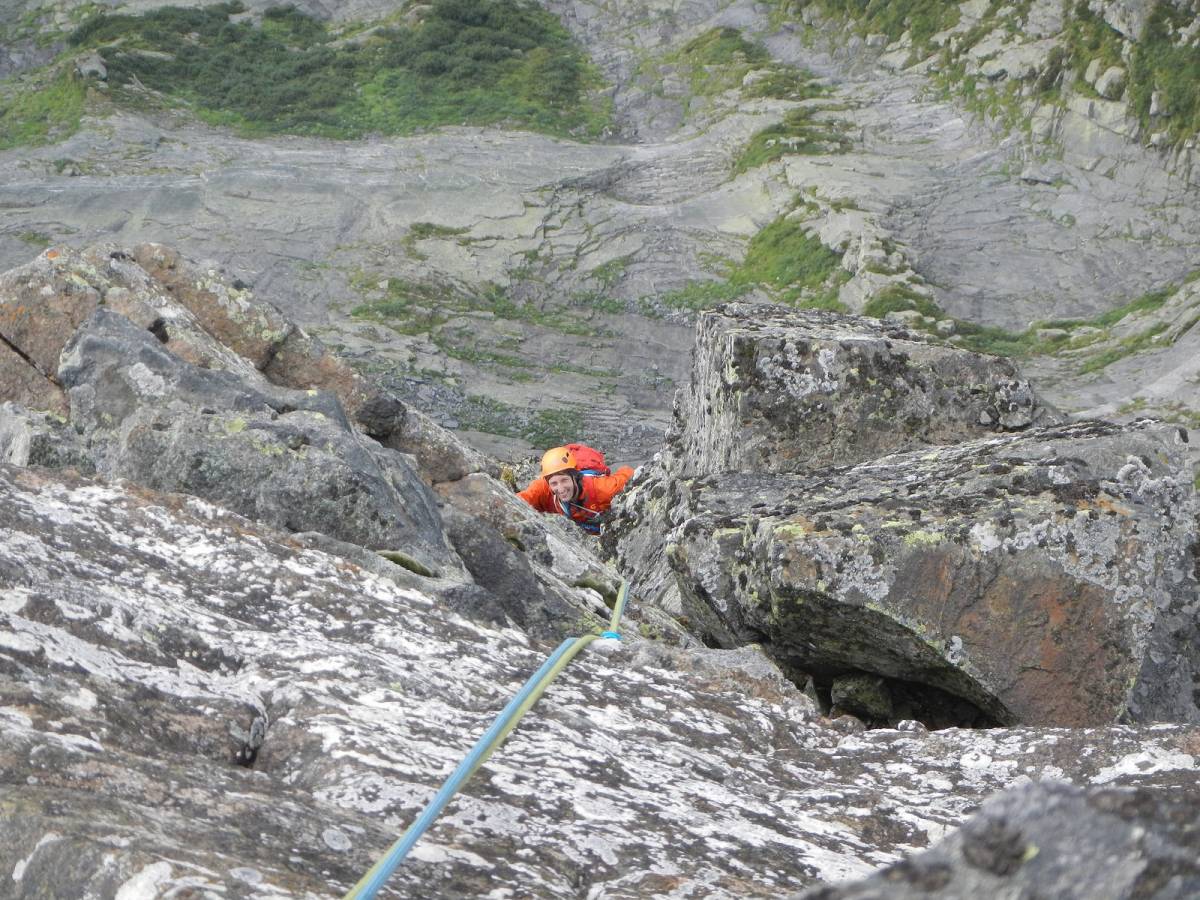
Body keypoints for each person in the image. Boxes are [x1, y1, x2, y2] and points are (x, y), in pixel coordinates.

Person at [517, 445, 634, 534]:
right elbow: (517, 501)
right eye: (554, 483)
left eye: (564, 480)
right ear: (548, 483)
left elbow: (628, 475)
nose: (561, 489)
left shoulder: (602, 489)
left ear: (575, 477)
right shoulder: (542, 489)